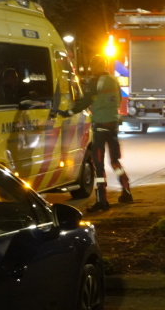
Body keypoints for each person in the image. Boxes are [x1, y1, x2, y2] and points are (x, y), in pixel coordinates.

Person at [58, 54, 132, 212]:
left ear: (96, 66)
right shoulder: (113, 80)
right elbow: (119, 99)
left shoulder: (95, 82)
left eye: (92, 65)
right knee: (115, 161)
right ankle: (126, 191)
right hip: (113, 125)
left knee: (98, 165)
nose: (91, 68)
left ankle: (102, 201)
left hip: (100, 127)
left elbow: (85, 102)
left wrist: (68, 112)